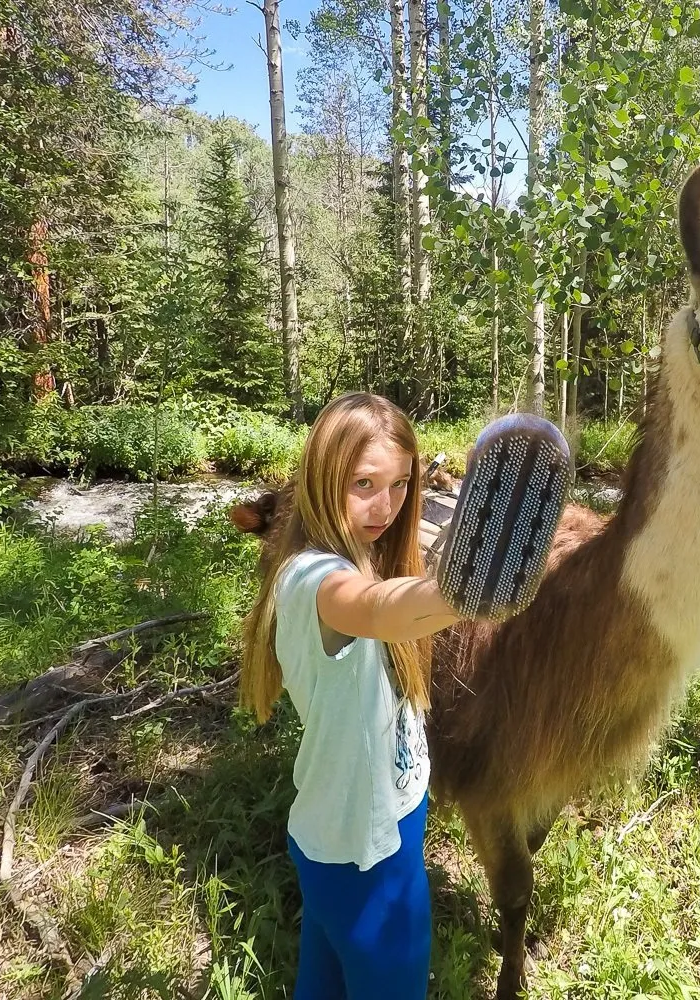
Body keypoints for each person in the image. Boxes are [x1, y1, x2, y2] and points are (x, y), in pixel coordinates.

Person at [238, 393, 462, 1000]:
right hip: (362, 853)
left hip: (366, 826)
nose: (385, 506)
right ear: (321, 477)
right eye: (364, 483)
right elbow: (380, 611)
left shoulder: (365, 557)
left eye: (400, 485)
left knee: (325, 986)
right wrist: (472, 585)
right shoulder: (316, 577)